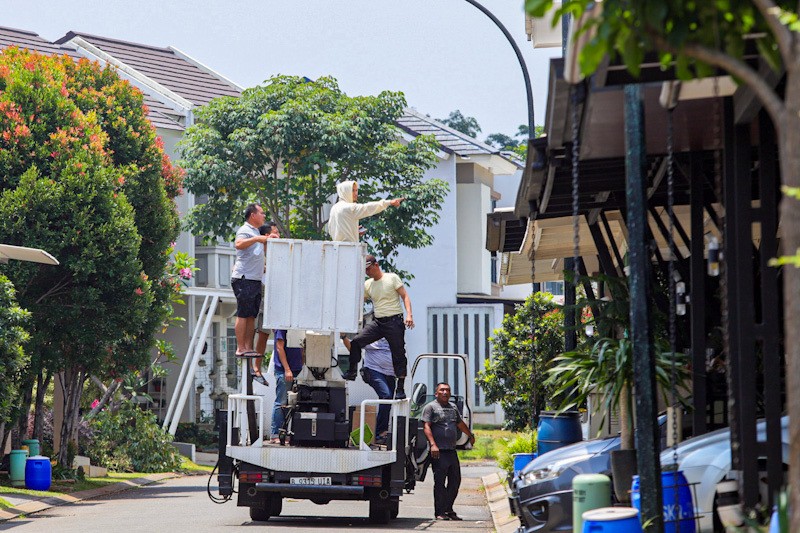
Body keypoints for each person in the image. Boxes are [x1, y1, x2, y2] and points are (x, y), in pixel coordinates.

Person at [344, 255, 413, 399]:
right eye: (365, 270)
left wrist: (409, 315)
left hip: (394, 321)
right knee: (356, 341)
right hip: (378, 322)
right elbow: (356, 301)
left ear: (376, 265)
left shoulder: (392, 278)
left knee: (398, 353)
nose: (367, 272)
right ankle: (352, 371)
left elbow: (404, 296)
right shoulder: (368, 284)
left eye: (369, 269)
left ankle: (400, 387)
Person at [421, 382, 475, 521]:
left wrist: (470, 435)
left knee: (455, 481)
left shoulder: (453, 407)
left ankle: (449, 509)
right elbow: (426, 426)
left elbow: (460, 423)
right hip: (438, 452)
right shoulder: (430, 407)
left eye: (447, 390)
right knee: (440, 483)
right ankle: (439, 512)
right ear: (436, 393)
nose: (445, 392)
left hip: (451, 450)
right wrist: (433, 444)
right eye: (442, 390)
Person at [231, 203, 271, 359]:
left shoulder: (255, 231)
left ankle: (248, 347)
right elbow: (238, 244)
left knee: (251, 315)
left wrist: (267, 239)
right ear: (253, 215)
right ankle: (241, 347)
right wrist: (256, 238)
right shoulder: (245, 230)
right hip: (244, 278)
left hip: (255, 279)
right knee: (243, 313)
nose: (264, 216)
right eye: (262, 213)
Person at [342, 336, 395, 445]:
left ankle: (382, 430)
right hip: (373, 370)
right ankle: (380, 432)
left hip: (390, 374)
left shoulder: (394, 336)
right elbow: (353, 347)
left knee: (389, 401)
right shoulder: (372, 336)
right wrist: (343, 337)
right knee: (386, 396)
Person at [327, 180, 404, 242]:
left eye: (356, 190)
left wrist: (352, 230)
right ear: (345, 192)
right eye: (352, 191)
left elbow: (332, 229)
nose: (356, 193)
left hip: (336, 249)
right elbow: (367, 208)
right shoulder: (349, 207)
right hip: (349, 250)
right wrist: (389, 202)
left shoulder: (334, 208)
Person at [252, 221, 281, 386]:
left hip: (274, 291)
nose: (277, 236)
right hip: (261, 290)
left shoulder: (278, 251)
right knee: (258, 332)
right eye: (274, 232)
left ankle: (257, 366)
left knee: (269, 333)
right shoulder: (258, 250)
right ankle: (254, 367)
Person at [270, 328, 303, 444]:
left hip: (298, 370)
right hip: (284, 371)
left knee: (295, 404)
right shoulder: (282, 327)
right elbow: (279, 347)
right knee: (281, 402)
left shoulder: (297, 327)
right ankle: (275, 434)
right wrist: (287, 369)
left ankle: (289, 434)